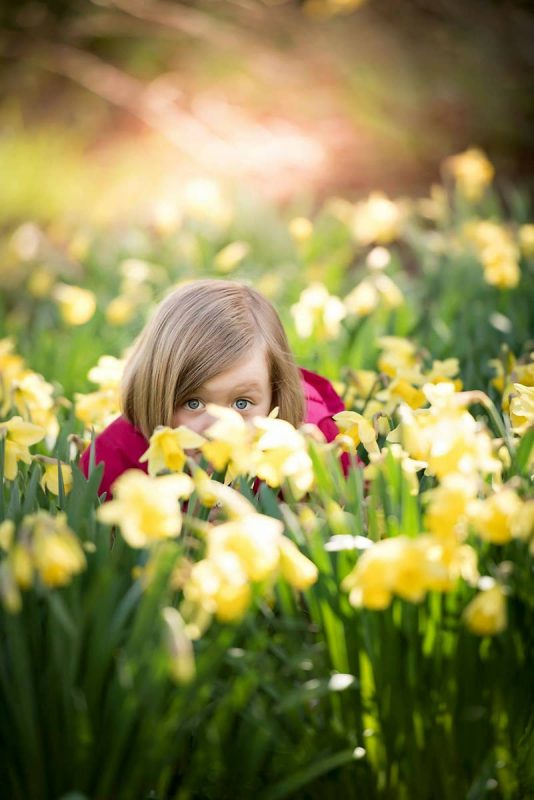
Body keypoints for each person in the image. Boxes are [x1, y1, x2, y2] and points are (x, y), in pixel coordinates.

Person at [79, 279, 351, 500]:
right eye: (193, 403)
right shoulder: (116, 455)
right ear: (154, 392)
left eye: (242, 403)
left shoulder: (310, 441)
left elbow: (350, 509)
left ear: (276, 394)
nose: (218, 429)